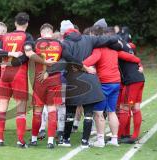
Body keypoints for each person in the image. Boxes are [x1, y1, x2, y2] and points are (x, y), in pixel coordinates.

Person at [49, 19, 120, 148]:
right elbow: (112, 40)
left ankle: (66, 140)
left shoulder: (64, 43)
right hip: (91, 80)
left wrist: (48, 71)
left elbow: (66, 59)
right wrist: (116, 38)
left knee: (70, 113)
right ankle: (85, 142)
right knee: (88, 113)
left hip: (73, 80)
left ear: (63, 32)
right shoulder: (88, 39)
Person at [0, 12, 52, 148]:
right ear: (27, 24)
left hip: (5, 73)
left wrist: (9, 55)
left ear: (15, 23)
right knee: (21, 107)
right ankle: (20, 140)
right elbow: (29, 53)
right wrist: (45, 62)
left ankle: (0, 139)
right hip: (18, 74)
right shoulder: (27, 37)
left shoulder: (5, 36)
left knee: (3, 105)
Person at [83, 27, 143, 147]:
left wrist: (82, 65)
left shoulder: (99, 49)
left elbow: (87, 62)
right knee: (112, 111)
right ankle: (115, 139)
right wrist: (139, 63)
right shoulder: (115, 50)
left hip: (104, 83)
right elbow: (131, 57)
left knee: (98, 113)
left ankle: (100, 141)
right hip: (116, 83)